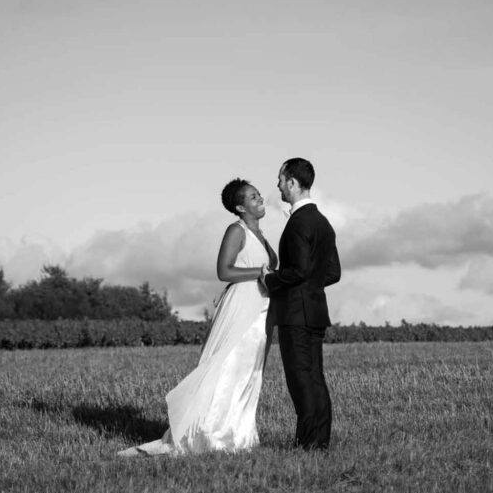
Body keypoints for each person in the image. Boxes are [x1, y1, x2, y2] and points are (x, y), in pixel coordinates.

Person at [118, 178, 277, 457]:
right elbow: (224, 271)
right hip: (241, 307)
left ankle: (239, 435)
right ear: (240, 207)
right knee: (226, 368)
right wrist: (260, 273)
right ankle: (206, 435)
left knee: (249, 374)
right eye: (253, 197)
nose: (260, 199)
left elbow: (272, 271)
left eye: (259, 195)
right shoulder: (236, 231)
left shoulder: (262, 235)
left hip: (262, 310)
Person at [259, 157, 340, 451]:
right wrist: (309, 286)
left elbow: (300, 270)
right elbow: (332, 273)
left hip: (296, 313)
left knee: (300, 380)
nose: (278, 184)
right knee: (315, 377)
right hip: (316, 311)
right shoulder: (323, 223)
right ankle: (319, 442)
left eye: (280, 179)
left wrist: (270, 280)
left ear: (292, 183)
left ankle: (308, 445)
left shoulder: (298, 223)